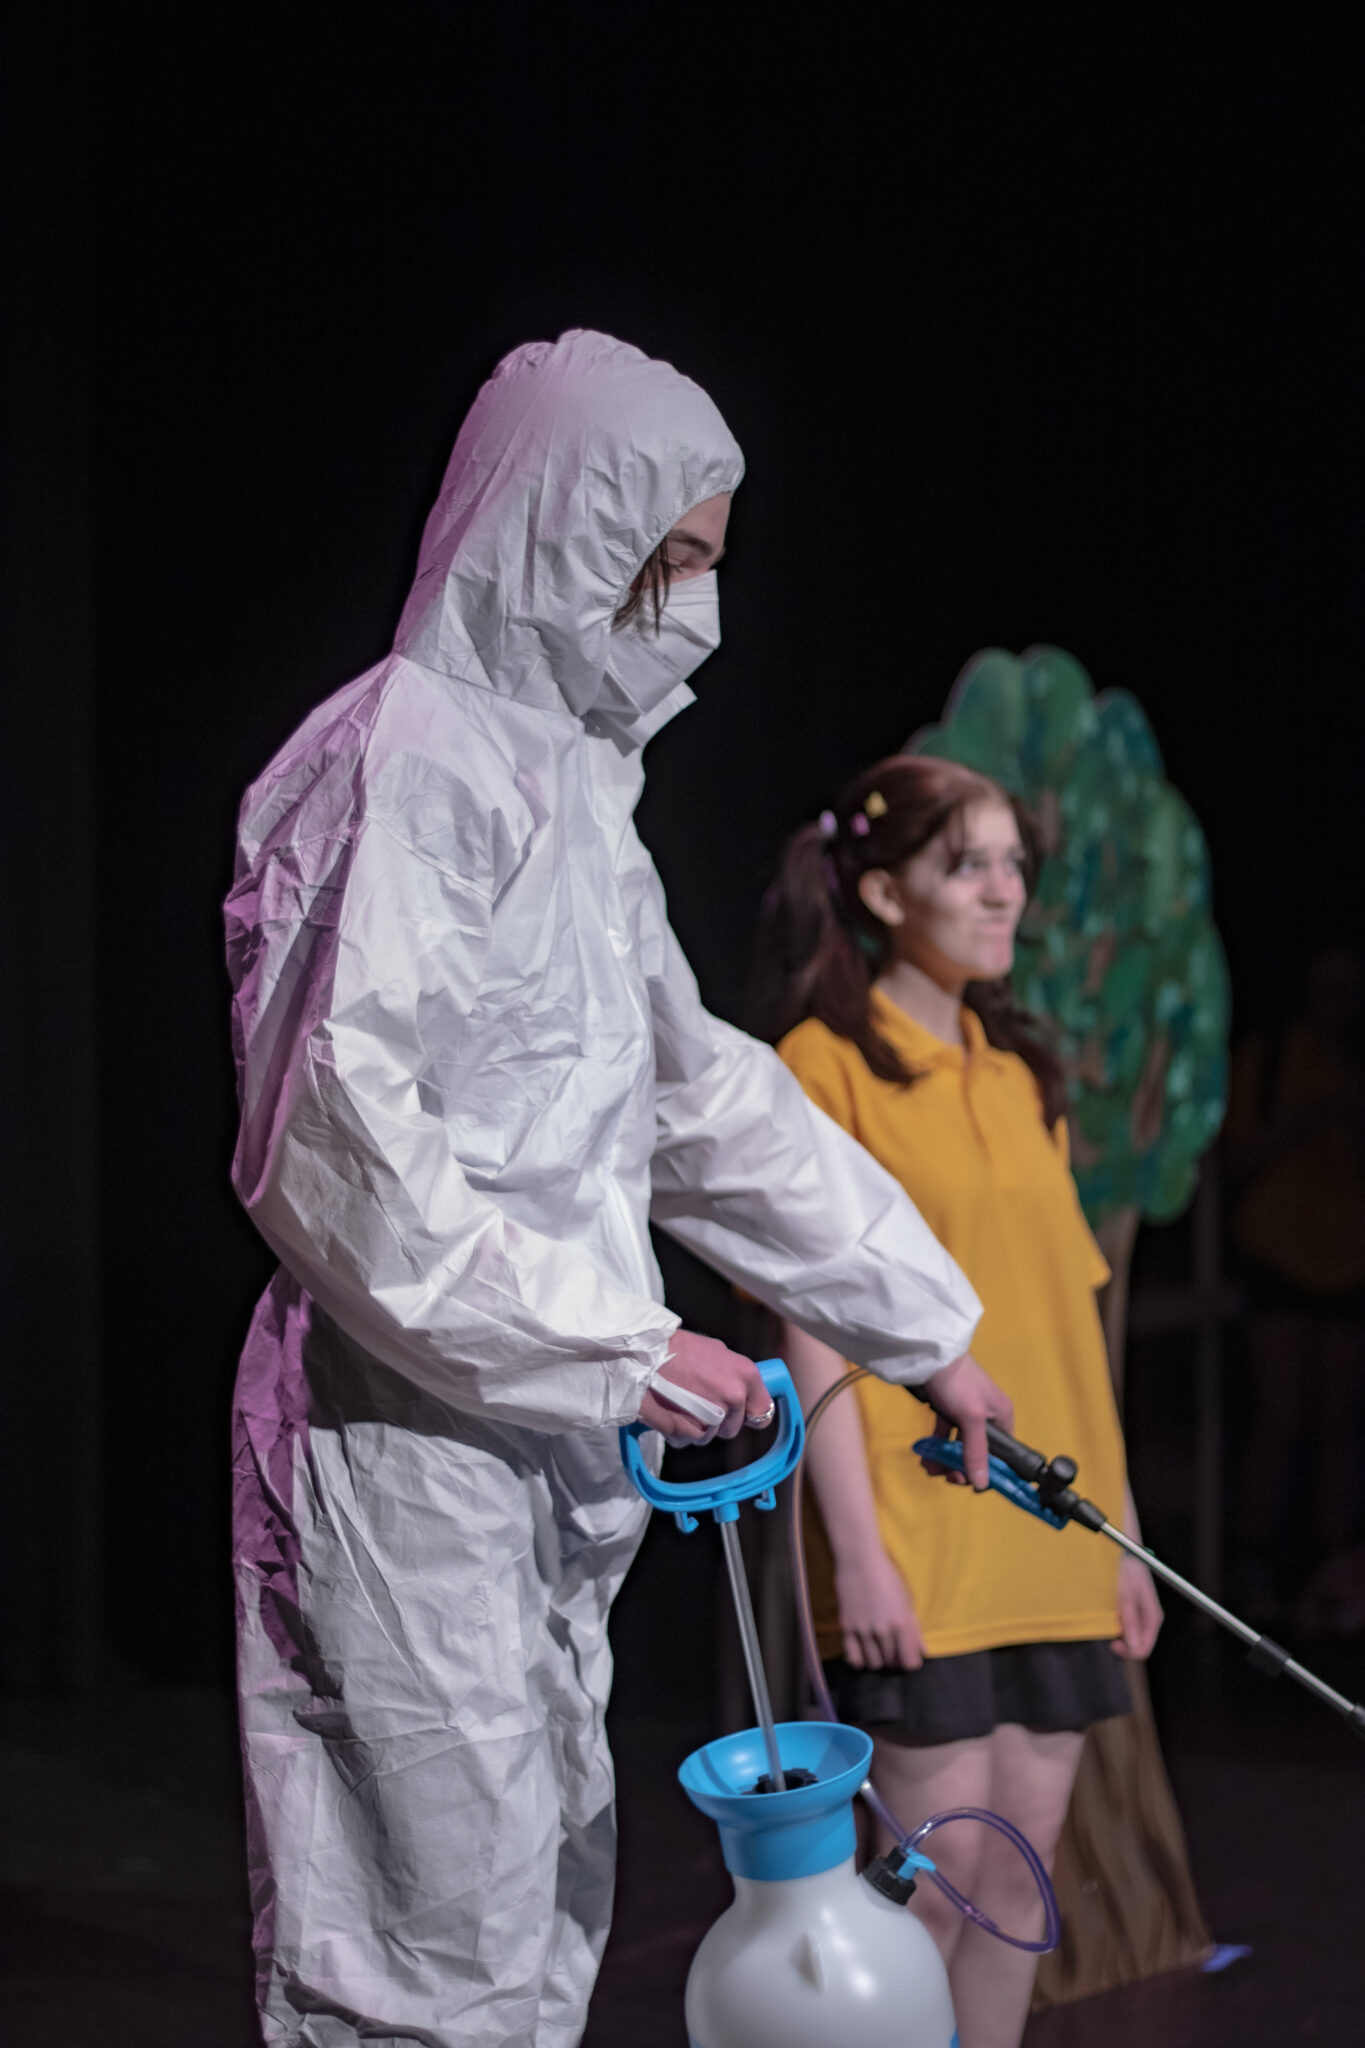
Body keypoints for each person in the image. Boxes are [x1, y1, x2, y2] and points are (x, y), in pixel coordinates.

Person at [226, 331, 1011, 2048]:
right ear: (563, 534)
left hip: (544, 1452)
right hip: (409, 1453)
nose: (697, 617)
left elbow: (693, 1100)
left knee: (532, 1931)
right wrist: (631, 1354)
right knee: (422, 1964)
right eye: (674, 565)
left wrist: (926, 1329)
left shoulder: (578, 799)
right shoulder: (395, 768)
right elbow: (339, 1154)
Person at [753, 752, 1164, 2048]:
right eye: (966, 864)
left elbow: (1066, 1337)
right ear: (879, 892)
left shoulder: (1019, 1076)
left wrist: (1123, 1535)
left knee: (1009, 1898)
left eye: (1010, 865)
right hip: (921, 1542)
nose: (1003, 892)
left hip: (1051, 1535)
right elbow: (811, 1320)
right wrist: (856, 1559)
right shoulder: (822, 1067)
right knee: (919, 1903)